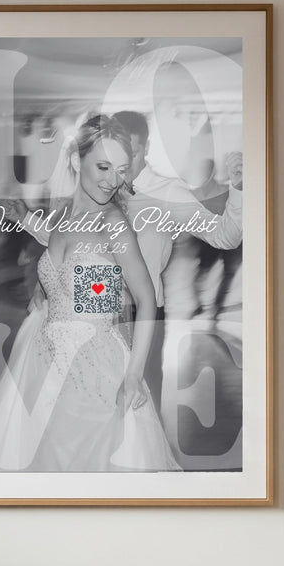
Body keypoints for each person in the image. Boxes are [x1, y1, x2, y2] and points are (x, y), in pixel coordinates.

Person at [0, 114, 179, 472]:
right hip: (44, 363)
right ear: (77, 160)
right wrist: (41, 275)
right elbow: (67, 252)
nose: (113, 180)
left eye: (121, 170)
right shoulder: (66, 213)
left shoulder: (115, 225)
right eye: (103, 166)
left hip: (96, 369)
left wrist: (133, 376)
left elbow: (145, 299)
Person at [111, 109, 244, 406]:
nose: (125, 163)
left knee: (143, 402)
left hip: (141, 315)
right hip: (95, 310)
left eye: (132, 152)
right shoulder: (99, 188)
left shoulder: (167, 193)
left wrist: (238, 189)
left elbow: (225, 236)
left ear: (145, 149)